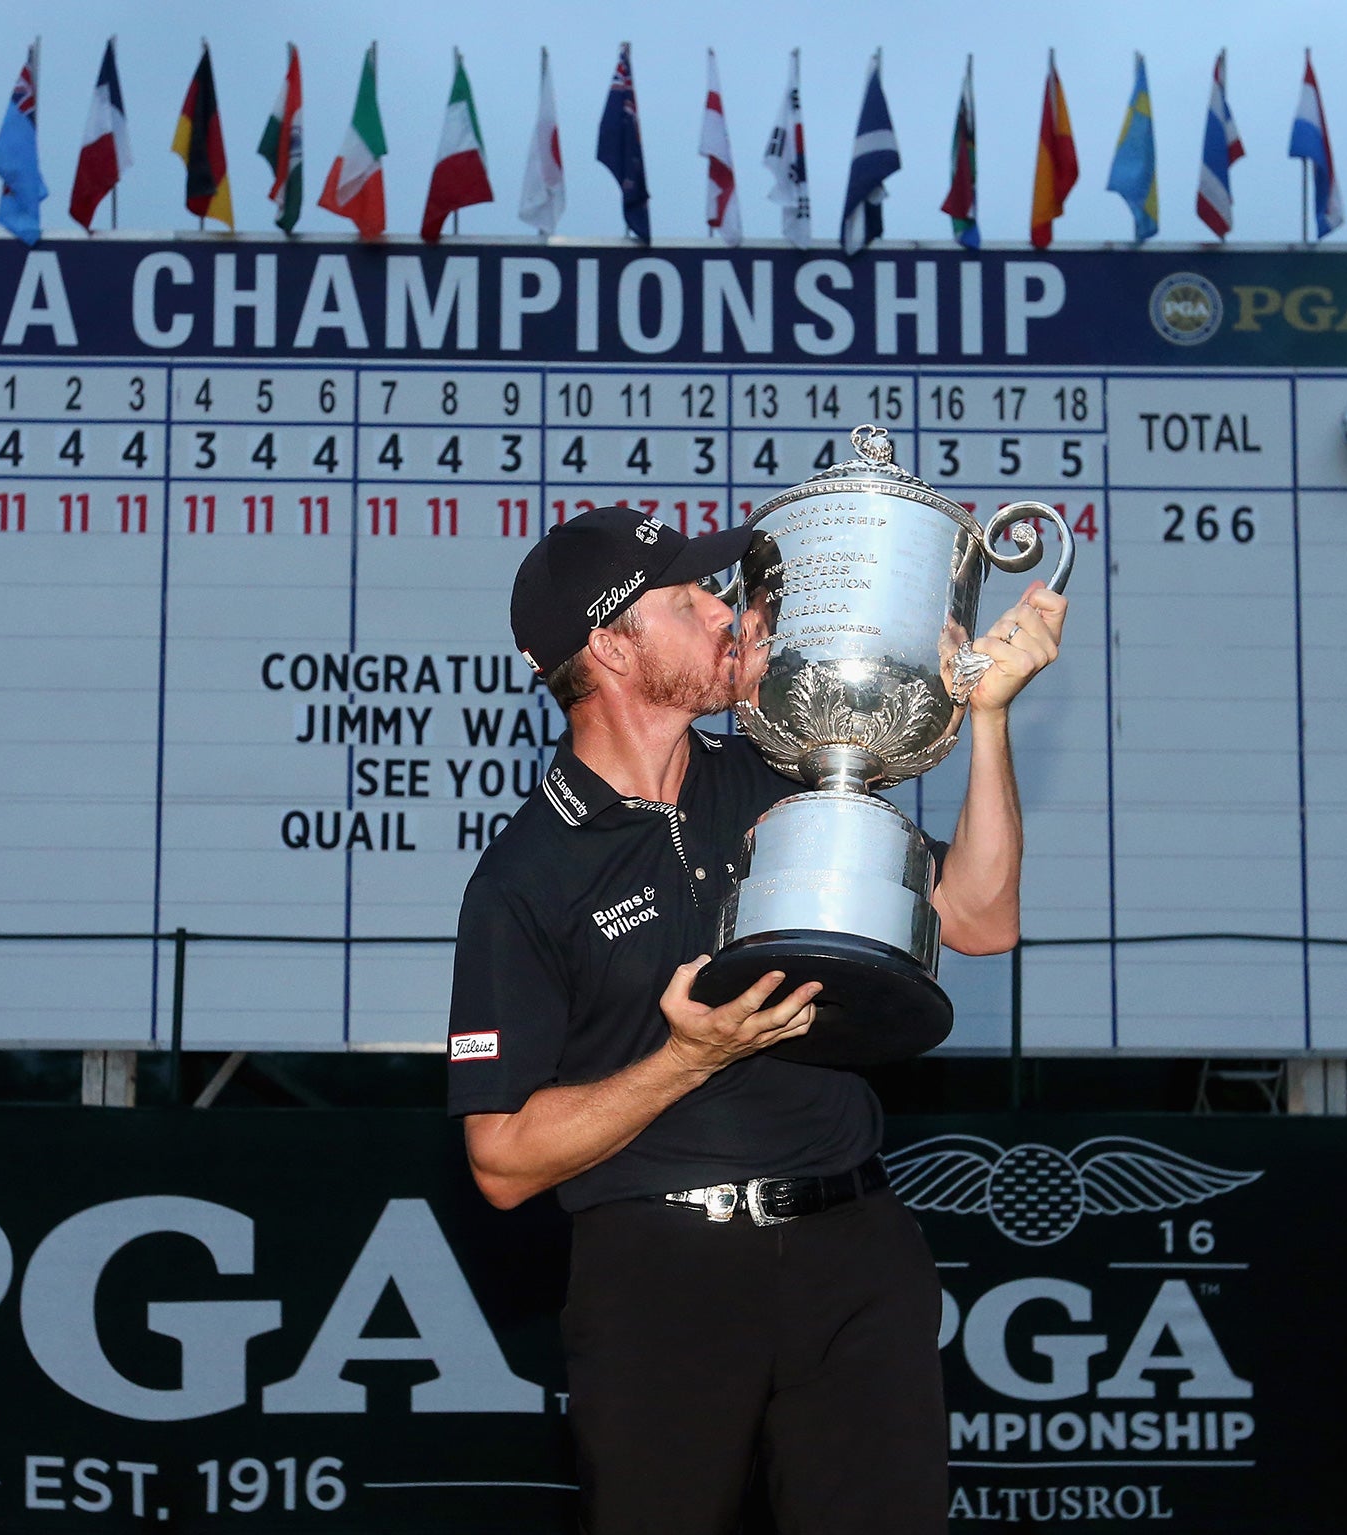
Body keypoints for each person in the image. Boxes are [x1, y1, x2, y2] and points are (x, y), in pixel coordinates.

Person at [446, 505, 1066, 1534]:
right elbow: (502, 1159)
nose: (722, 611)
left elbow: (977, 918)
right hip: (660, 1273)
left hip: (853, 1246)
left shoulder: (780, 775)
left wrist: (989, 718)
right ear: (609, 646)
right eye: (687, 600)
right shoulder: (523, 876)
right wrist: (684, 1058)